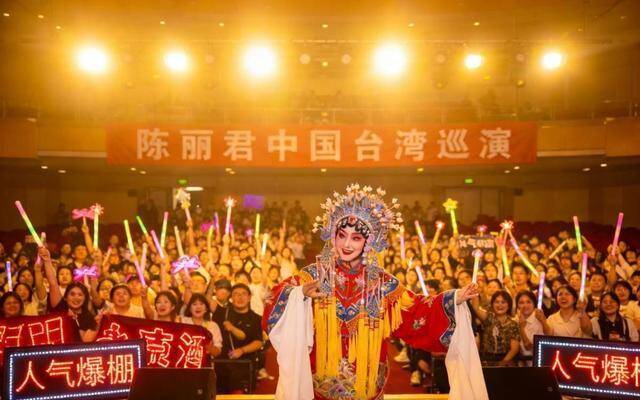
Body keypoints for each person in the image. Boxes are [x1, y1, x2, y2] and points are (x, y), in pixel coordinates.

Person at [262, 185, 485, 400]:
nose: (346, 244)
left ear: (369, 242)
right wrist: (299, 295)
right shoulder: (314, 276)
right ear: (332, 236)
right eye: (341, 235)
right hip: (320, 387)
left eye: (356, 238)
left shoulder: (382, 283)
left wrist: (452, 299)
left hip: (368, 386)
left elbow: (417, 311)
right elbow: (275, 298)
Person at [213, 283, 264, 394]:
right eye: (236, 294)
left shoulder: (256, 318)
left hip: (245, 366)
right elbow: (206, 302)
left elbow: (259, 342)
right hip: (222, 366)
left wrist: (242, 350)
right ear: (231, 298)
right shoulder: (223, 313)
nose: (240, 297)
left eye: (243, 294)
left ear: (249, 297)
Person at [470, 290, 521, 366]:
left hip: (506, 362)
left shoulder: (513, 324)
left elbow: (514, 349)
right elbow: (476, 308)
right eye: (496, 302)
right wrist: (474, 292)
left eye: (503, 302)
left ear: (509, 305)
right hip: (487, 361)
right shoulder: (488, 318)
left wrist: (502, 363)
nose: (500, 305)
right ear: (492, 304)